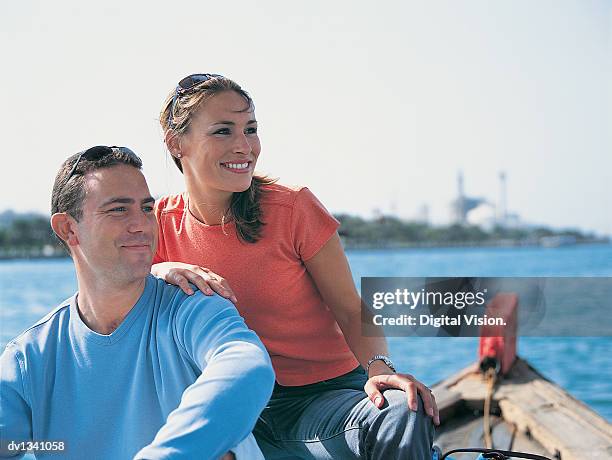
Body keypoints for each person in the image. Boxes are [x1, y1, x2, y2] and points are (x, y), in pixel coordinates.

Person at [152, 74, 438, 459]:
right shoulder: (156, 225)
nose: (244, 146)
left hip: (323, 400)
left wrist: (379, 368)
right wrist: (159, 270)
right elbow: (112, 302)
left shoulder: (293, 208)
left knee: (404, 411)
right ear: (176, 142)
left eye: (250, 129)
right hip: (229, 408)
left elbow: (349, 307)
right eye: (223, 131)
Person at [0, 146, 275, 460]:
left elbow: (247, 367)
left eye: (146, 208)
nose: (142, 224)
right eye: (119, 210)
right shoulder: (29, 357)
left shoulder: (194, 305)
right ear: (68, 229)